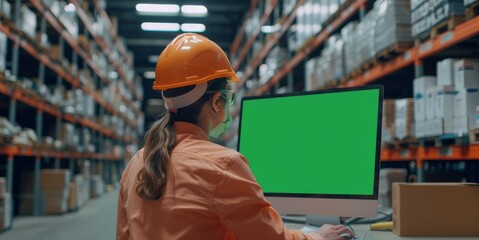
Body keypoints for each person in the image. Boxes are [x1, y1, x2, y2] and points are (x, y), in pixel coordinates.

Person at [116, 33, 356, 240]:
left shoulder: (136, 163)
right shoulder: (224, 165)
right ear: (216, 101)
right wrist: (317, 236)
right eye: (227, 96)